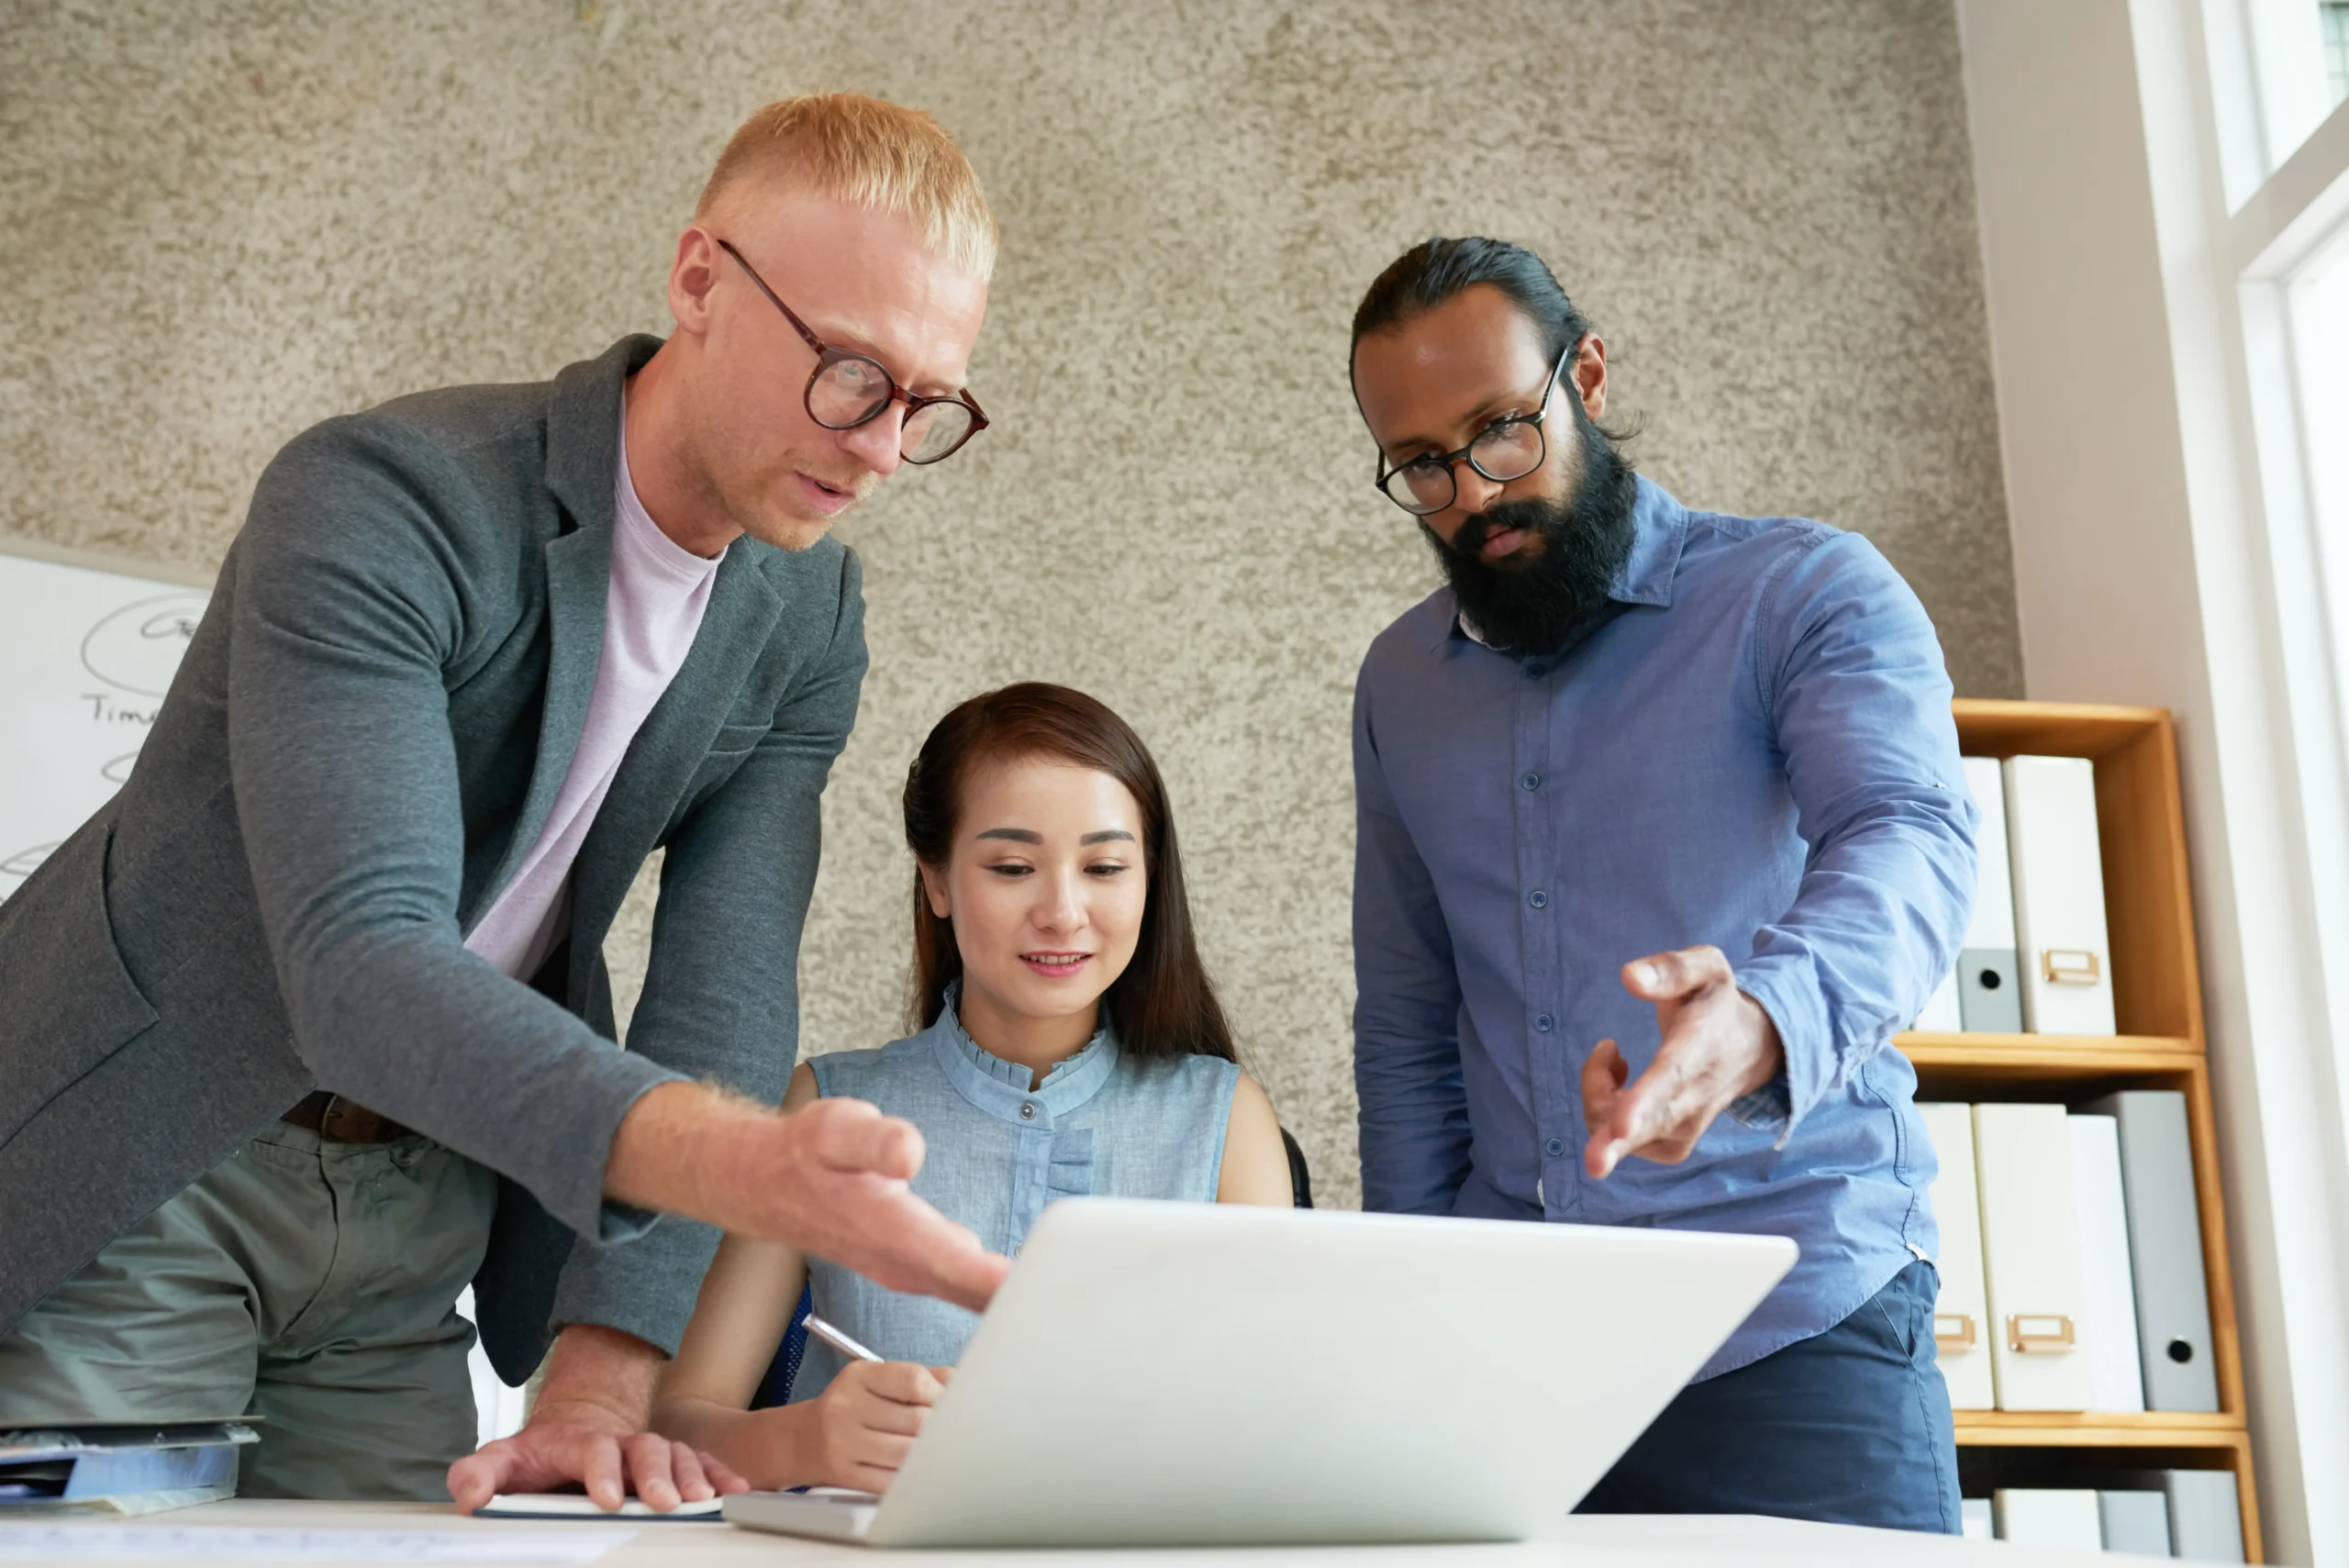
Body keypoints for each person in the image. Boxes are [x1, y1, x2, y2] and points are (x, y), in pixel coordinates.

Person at [0, 94, 1009, 1511]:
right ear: (701, 280)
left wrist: (604, 1373)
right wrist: (741, 1167)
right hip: (165, 1155)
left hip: (422, 1205)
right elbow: (359, 961)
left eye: (927, 401)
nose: (881, 447)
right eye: (849, 370)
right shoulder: (382, 497)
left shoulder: (807, 611)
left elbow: (719, 992)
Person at [1344, 237, 1976, 1531]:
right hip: (1519, 1359)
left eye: (1500, 432)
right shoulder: (1399, 686)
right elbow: (1409, 1022)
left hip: (1792, 1321)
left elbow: (1911, 833)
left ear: (1584, 372)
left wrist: (1757, 1021)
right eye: (1421, 465)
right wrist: (1414, 1314)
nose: (1471, 492)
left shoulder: (1805, 592)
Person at [650, 683, 1295, 1492]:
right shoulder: (828, 1106)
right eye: (1013, 866)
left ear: (1148, 880)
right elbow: (676, 1422)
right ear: (939, 880)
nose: (1063, 911)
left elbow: (1285, 1423)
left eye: (1103, 866)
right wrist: (806, 1441)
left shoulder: (1225, 1116)